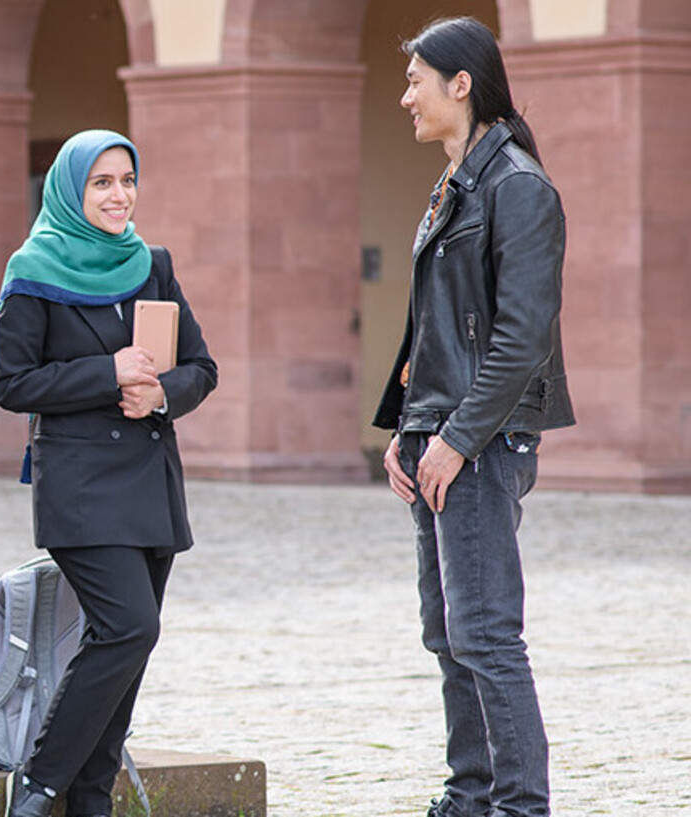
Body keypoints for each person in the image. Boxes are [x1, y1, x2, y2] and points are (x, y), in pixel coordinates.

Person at [0, 129, 218, 817]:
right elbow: (11, 382)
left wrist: (162, 393)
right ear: (71, 189)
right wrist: (107, 372)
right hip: (82, 485)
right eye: (102, 183)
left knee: (125, 647)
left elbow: (202, 367)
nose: (118, 195)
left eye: (126, 180)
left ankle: (91, 798)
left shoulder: (152, 264)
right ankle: (38, 782)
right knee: (129, 628)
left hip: (150, 482)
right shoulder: (32, 269)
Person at [377, 17, 572, 817]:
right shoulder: (454, 184)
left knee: (487, 635)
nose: (406, 97)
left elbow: (522, 336)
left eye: (417, 80)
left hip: (483, 443)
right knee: (447, 633)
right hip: (440, 435)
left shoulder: (516, 186)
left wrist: (456, 438)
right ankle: (470, 795)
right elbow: (435, 324)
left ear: (463, 84)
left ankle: (519, 806)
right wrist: (407, 425)